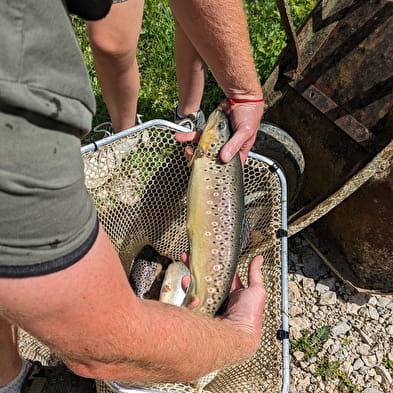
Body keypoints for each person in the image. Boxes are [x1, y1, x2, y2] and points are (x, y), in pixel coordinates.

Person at [0, 1, 266, 392]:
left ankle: (10, 379)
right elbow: (94, 346)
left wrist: (244, 92)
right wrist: (241, 336)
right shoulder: (18, 106)